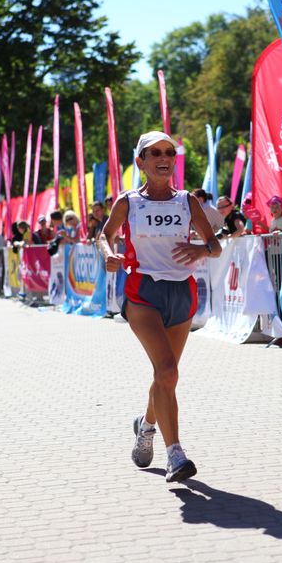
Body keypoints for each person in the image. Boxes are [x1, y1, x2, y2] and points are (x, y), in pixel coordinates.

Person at [100, 131, 221, 483]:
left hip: (181, 292)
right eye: (155, 153)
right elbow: (105, 234)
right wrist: (109, 254)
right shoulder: (128, 202)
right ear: (141, 162)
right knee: (167, 371)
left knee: (164, 375)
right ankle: (175, 455)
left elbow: (215, 245)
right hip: (143, 292)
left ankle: (146, 426)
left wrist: (201, 249)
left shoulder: (187, 201)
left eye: (169, 152)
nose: (164, 158)